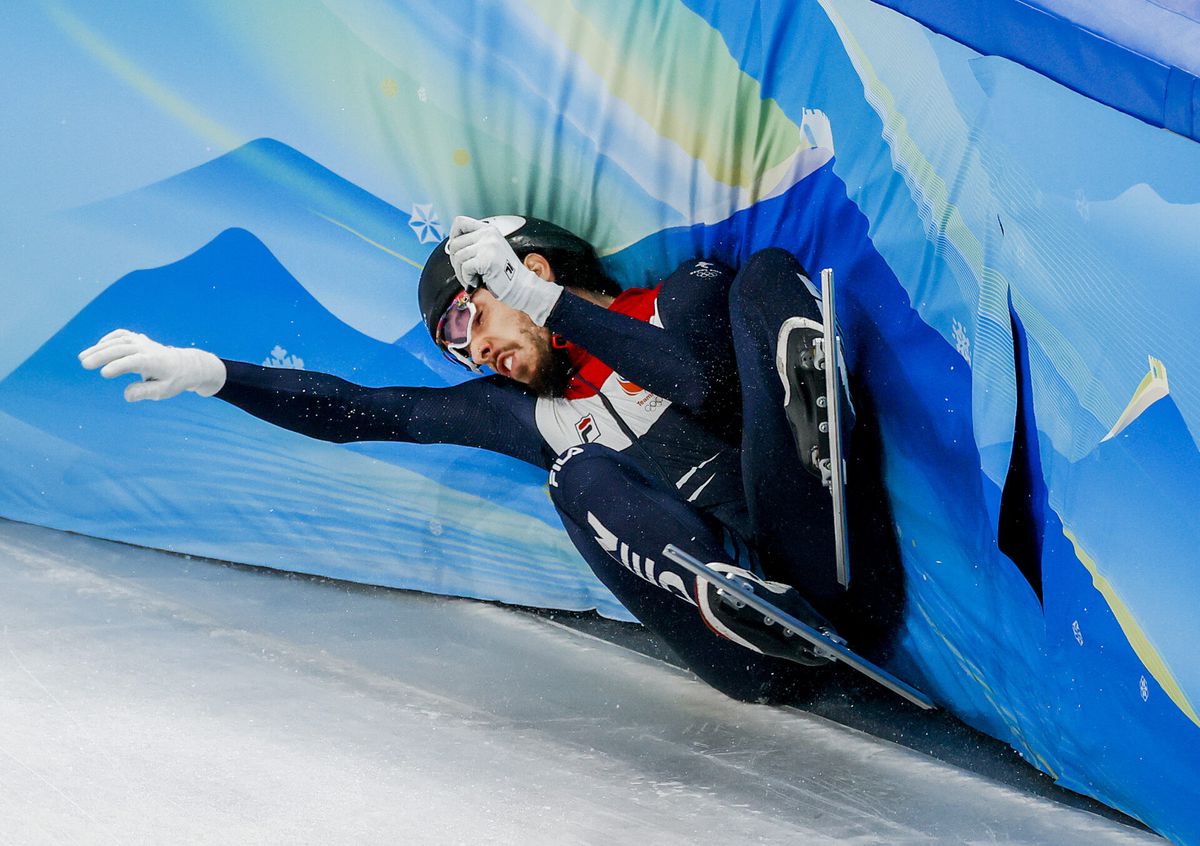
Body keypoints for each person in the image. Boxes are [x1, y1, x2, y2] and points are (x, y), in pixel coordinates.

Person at [79, 214, 854, 703]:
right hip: (747, 658)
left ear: (534, 273)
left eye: (469, 313)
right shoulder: (527, 414)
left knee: (764, 275)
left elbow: (702, 386)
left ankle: (820, 440)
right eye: (453, 345)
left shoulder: (681, 295)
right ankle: (733, 601)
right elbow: (364, 410)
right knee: (575, 473)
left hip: (827, 546)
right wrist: (216, 374)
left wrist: (552, 310)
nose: (473, 349)